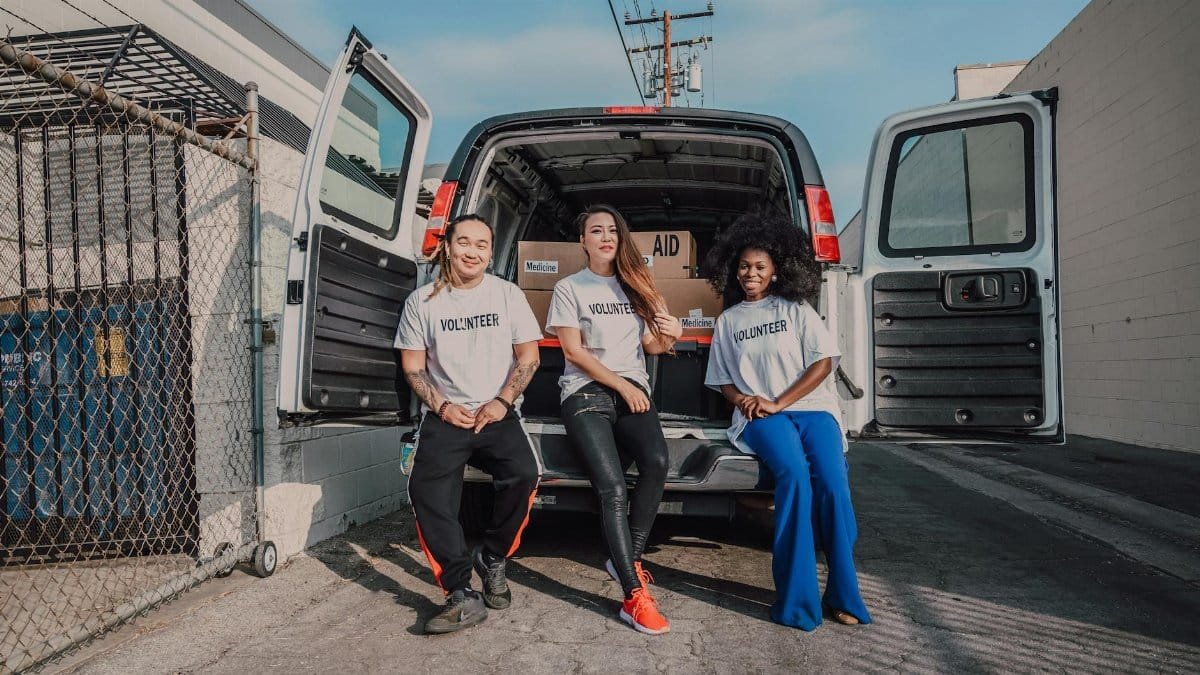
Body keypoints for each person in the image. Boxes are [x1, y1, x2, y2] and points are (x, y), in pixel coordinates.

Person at [702, 210, 871, 631]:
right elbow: (722, 380)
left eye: (760, 267)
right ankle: (797, 602)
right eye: (743, 266)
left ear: (777, 271)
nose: (750, 274)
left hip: (812, 409)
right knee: (793, 476)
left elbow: (825, 361)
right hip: (758, 416)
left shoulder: (796, 309)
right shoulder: (728, 321)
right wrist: (745, 400)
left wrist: (781, 400)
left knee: (832, 484)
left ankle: (843, 594)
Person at [395, 213, 542, 635]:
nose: (473, 251)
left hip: (496, 412)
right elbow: (413, 367)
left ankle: (493, 558)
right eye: (464, 242)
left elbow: (529, 357)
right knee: (426, 491)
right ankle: (459, 592)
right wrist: (441, 407)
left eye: (482, 245)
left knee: (524, 476)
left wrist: (502, 401)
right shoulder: (421, 302)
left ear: (490, 252)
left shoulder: (507, 295)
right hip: (446, 415)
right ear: (447, 246)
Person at [545, 204, 682, 635]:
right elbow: (574, 352)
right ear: (582, 241)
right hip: (586, 392)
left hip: (631, 389)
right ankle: (633, 595)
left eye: (612, 230)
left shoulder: (638, 286)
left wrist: (670, 333)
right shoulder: (570, 287)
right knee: (613, 487)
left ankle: (630, 558)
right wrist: (622, 387)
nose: (605, 236)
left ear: (621, 239)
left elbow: (651, 346)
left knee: (658, 463)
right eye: (595, 230)